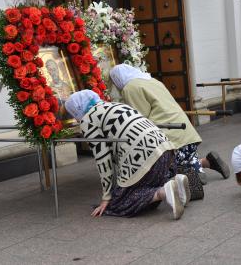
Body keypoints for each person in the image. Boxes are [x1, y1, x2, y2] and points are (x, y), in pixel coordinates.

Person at [64, 90, 191, 219]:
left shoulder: (88, 120)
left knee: (119, 203)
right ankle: (177, 183)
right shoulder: (117, 105)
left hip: (144, 155)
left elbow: (103, 159)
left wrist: (106, 197)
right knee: (145, 184)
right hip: (166, 150)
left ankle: (163, 192)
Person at [109, 64, 230, 183]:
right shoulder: (151, 80)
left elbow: (140, 118)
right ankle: (205, 163)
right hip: (185, 130)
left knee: (160, 170)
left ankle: (193, 173)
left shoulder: (130, 88)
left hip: (167, 134)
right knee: (185, 157)